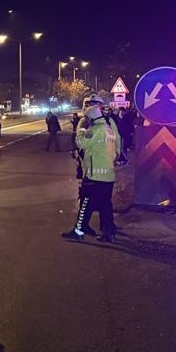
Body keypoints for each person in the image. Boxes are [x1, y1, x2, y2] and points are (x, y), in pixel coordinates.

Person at [62, 94, 122, 243]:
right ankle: (106, 231)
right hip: (98, 168)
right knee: (103, 203)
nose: (90, 106)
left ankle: (81, 230)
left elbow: (81, 141)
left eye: (93, 104)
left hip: (95, 170)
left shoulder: (100, 124)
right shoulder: (97, 122)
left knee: (87, 200)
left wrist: (81, 132)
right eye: (89, 103)